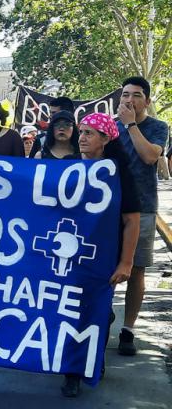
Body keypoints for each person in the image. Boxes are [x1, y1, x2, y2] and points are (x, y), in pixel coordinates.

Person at [60, 112, 139, 397]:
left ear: (106, 139)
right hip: (67, 254)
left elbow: (132, 219)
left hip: (103, 255)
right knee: (69, 309)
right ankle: (72, 370)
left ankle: (90, 360)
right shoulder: (67, 166)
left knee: (96, 310)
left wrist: (126, 261)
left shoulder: (118, 172)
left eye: (90, 133)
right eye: (80, 131)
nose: (81, 137)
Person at [114, 76, 169, 356]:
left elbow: (150, 157)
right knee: (105, 266)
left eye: (136, 95)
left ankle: (128, 329)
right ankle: (102, 316)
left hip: (143, 207)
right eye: (125, 95)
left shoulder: (158, 127)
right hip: (110, 207)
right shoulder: (109, 127)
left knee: (136, 270)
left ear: (146, 100)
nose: (129, 100)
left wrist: (131, 125)